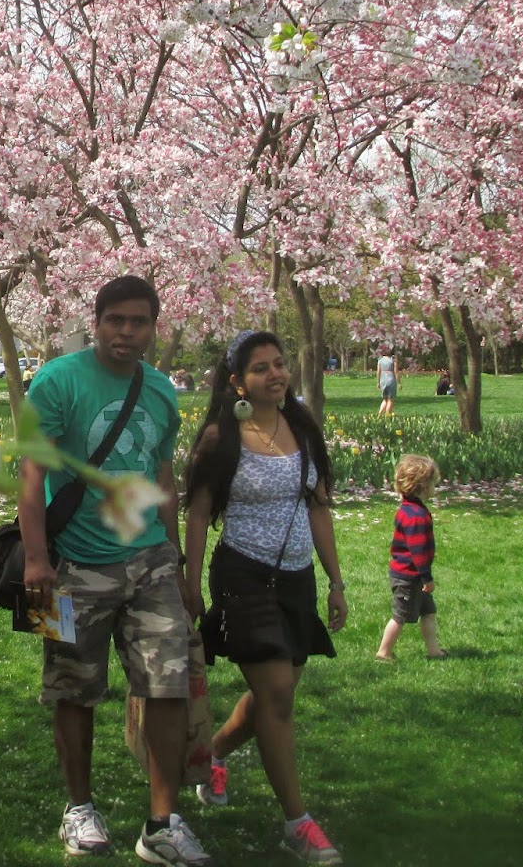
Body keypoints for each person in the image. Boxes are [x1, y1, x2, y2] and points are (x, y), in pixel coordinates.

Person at [19, 275, 210, 864]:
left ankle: (162, 823)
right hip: (68, 564)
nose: (127, 332)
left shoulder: (160, 390)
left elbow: (162, 477)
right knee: (70, 689)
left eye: (139, 322)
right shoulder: (56, 381)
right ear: (96, 322)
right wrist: (35, 559)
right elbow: (31, 474)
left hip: (150, 562)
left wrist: (177, 561)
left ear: (154, 327)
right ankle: (79, 808)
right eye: (116, 320)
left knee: (168, 685)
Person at [183, 330, 346, 866]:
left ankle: (214, 754)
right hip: (243, 575)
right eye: (261, 368)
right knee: (277, 694)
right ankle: (298, 825)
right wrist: (190, 585)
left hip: (297, 578)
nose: (275, 374)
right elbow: (199, 513)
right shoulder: (220, 438)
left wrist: (335, 581)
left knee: (275, 694)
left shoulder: (302, 426)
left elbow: (318, 506)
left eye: (279, 364)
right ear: (238, 382)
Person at [375, 454, 446, 661]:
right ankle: (384, 651)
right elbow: (418, 552)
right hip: (409, 577)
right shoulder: (415, 516)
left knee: (428, 612)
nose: (435, 488)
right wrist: (426, 578)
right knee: (400, 616)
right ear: (423, 487)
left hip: (413, 577)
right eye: (433, 484)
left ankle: (433, 650)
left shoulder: (410, 509)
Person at [376, 346, 399, 417]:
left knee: (385, 399)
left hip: (383, 379)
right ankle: (388, 414)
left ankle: (380, 414)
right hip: (391, 378)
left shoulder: (380, 360)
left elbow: (378, 372)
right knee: (390, 399)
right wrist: (399, 383)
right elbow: (396, 372)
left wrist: (378, 382)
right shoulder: (393, 360)